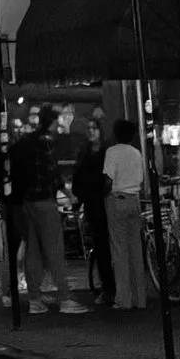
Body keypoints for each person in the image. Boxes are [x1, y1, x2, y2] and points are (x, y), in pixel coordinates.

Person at [8, 107, 75, 312]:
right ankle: (64, 298)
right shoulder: (45, 143)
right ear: (51, 122)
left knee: (33, 251)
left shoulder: (25, 143)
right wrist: (69, 193)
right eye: (57, 122)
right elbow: (53, 174)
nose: (59, 126)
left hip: (26, 202)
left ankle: (35, 299)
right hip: (44, 201)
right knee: (54, 249)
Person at [102, 117, 149, 312]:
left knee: (120, 251)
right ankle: (141, 298)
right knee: (136, 250)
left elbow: (108, 178)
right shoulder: (137, 153)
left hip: (117, 200)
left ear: (115, 134)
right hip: (135, 201)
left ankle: (124, 300)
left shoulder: (112, 152)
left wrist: (102, 195)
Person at [70, 118, 114, 308]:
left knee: (108, 247)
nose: (91, 132)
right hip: (95, 205)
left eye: (94, 128)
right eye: (89, 128)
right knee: (103, 248)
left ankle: (111, 287)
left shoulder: (104, 153)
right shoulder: (86, 154)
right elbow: (78, 179)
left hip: (103, 203)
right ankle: (108, 287)